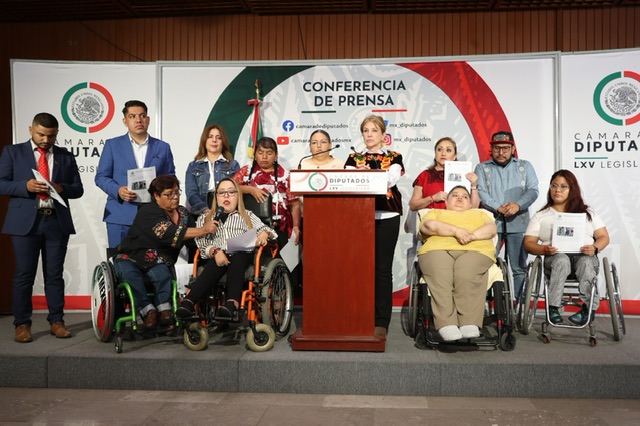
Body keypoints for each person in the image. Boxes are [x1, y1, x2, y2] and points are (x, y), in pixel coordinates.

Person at [0, 113, 84, 343]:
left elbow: (78, 189)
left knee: (55, 275)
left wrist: (62, 188)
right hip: (25, 223)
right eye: (41, 135)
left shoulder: (66, 156)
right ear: (31, 130)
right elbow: (2, 183)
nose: (46, 140)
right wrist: (24, 186)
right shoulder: (13, 152)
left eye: (51, 136)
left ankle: (57, 321)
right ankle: (22, 324)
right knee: (24, 275)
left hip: (56, 222)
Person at [113, 174, 216, 330]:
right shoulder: (148, 211)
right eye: (169, 194)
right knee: (130, 275)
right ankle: (148, 311)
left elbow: (192, 240)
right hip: (131, 256)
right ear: (156, 196)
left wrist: (211, 248)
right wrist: (203, 230)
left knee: (162, 275)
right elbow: (166, 231)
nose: (175, 197)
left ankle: (165, 311)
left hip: (159, 260)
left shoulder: (183, 214)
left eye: (177, 192)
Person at [176, 178, 277, 319]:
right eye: (222, 192)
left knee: (237, 255)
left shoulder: (246, 215)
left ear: (238, 196)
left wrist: (264, 234)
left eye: (231, 192)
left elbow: (267, 230)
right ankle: (189, 301)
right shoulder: (205, 218)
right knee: (216, 262)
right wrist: (215, 251)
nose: (226, 196)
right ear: (216, 197)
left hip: (242, 254)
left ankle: (232, 303)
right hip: (217, 255)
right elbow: (201, 242)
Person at [523, 170, 609, 325]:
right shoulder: (541, 215)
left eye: (563, 186)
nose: (558, 190)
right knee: (561, 260)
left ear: (572, 189)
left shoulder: (587, 213)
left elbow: (604, 237)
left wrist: (594, 248)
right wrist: (544, 249)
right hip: (555, 257)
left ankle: (589, 309)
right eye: (554, 186)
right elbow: (528, 242)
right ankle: (553, 307)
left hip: (584, 256)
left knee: (586, 262)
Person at [344, 115, 404, 338]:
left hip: (388, 215)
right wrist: (362, 175)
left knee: (382, 269)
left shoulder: (394, 156)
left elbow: (390, 180)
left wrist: (366, 174)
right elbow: (348, 181)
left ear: (383, 135)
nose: (369, 134)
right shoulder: (353, 157)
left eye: (374, 130)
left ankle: (381, 320)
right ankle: (359, 314)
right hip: (360, 216)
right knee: (360, 267)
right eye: (365, 130)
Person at [418, 186, 497, 341]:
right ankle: (446, 323)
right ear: (446, 202)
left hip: (475, 249)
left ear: (471, 204)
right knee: (441, 275)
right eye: (455, 195)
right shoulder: (435, 213)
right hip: (437, 249)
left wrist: (471, 236)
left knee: (466, 272)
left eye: (465, 196)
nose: (460, 198)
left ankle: (469, 322)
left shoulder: (480, 214)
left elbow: (491, 229)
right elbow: (428, 227)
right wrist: (456, 231)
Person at [95, 100, 176, 249]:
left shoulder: (162, 147)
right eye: (132, 116)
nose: (138, 120)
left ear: (148, 119)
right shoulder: (112, 145)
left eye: (142, 116)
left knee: (153, 259)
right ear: (125, 121)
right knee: (120, 259)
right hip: (120, 214)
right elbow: (101, 177)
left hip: (154, 215)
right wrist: (118, 190)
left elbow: (171, 178)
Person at [474, 130, 539, 298]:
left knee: (518, 267)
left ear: (513, 149)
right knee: (486, 263)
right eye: (497, 148)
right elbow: (480, 192)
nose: (501, 152)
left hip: (518, 222)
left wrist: (518, 205)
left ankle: (518, 305)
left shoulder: (525, 166)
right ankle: (486, 303)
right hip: (490, 224)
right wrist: (498, 207)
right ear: (491, 149)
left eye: (505, 148)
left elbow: (533, 190)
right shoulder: (482, 168)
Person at [232, 136, 301, 248]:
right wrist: (250, 190)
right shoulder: (246, 171)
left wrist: (296, 227)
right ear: (255, 154)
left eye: (269, 153)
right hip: (249, 226)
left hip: (278, 227)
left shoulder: (285, 176)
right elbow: (228, 188)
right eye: (260, 153)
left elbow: (295, 204)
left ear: (276, 155)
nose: (264, 157)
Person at [409, 136, 479, 211]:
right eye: (439, 149)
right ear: (435, 154)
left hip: (457, 217)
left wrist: (473, 186)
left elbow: (474, 208)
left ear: (454, 156)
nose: (443, 153)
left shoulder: (465, 175)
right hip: (432, 217)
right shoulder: (424, 175)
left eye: (448, 150)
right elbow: (413, 205)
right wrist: (432, 198)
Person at [185, 124, 240, 217]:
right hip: (200, 212)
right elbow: (191, 193)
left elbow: (237, 191)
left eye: (218, 137)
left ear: (223, 142)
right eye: (210, 137)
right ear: (204, 140)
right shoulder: (193, 166)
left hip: (227, 212)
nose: (214, 140)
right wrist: (205, 210)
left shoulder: (233, 165)